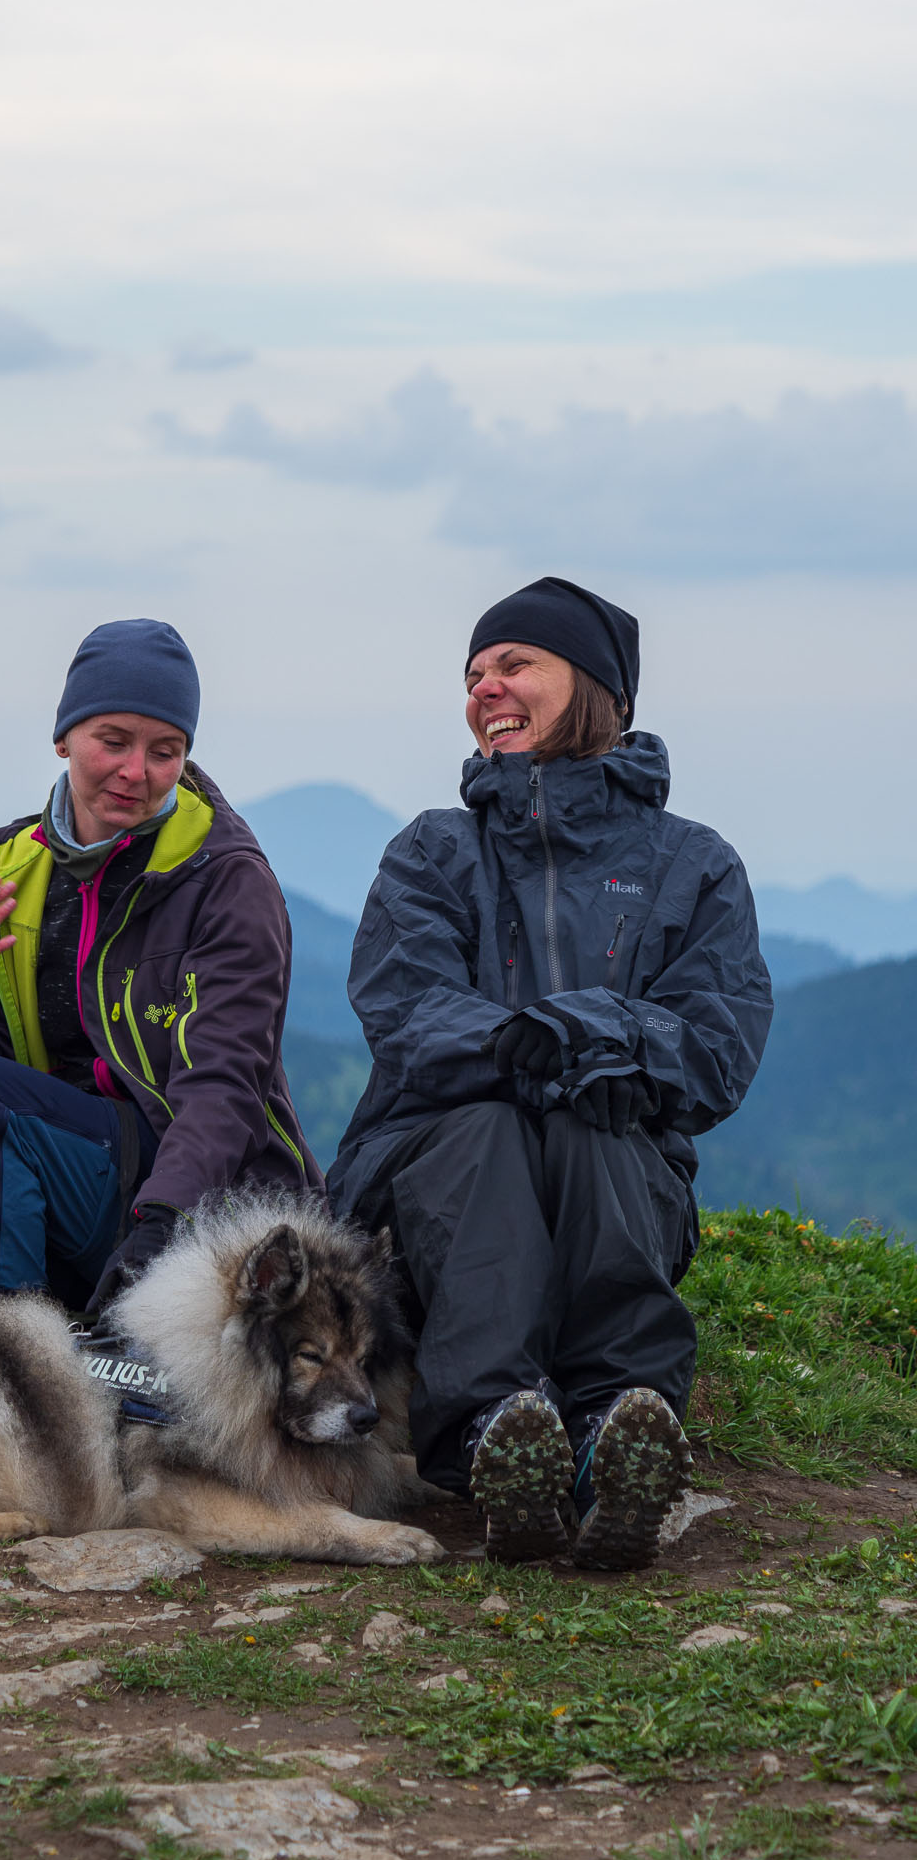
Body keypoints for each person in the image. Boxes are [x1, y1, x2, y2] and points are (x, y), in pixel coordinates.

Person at [328, 578, 772, 1570]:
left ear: (596, 690)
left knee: (589, 1119)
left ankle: (620, 1425)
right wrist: (533, 1047)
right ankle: (497, 1436)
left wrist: (576, 1034)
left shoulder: (690, 867)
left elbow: (714, 1048)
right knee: (488, 1124)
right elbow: (404, 1013)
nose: (486, 687)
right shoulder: (431, 853)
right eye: (473, 673)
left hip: (610, 1179)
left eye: (513, 664)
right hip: (431, 1171)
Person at [0, 618, 321, 1312]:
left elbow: (225, 1090)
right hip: (73, 1166)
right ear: (63, 737)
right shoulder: (25, 867)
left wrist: (161, 1224)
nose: (137, 772)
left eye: (165, 750)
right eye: (113, 741)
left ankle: (5, 1368)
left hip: (193, 1192)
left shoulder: (224, 878)